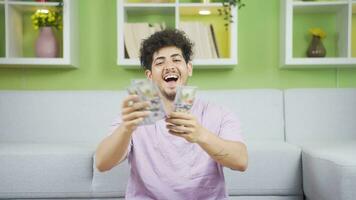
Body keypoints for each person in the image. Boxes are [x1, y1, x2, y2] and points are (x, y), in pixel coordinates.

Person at [95, 29, 248, 200]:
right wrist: (126, 128)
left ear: (188, 68)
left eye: (176, 59)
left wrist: (201, 135)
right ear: (150, 76)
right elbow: (101, 164)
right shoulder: (135, 116)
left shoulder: (219, 114)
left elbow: (241, 161)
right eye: (160, 62)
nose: (169, 66)